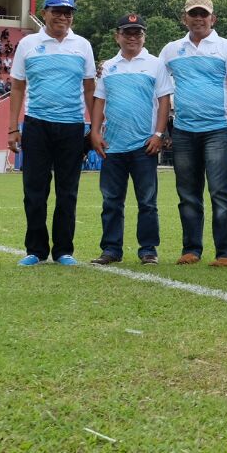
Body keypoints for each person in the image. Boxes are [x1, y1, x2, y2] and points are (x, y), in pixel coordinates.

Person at [8, 0, 96, 267]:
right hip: (36, 124)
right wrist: (13, 128)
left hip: (72, 127)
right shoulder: (28, 44)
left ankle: (63, 251)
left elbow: (90, 86)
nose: (62, 16)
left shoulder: (82, 45)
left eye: (68, 12)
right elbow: (18, 86)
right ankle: (35, 250)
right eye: (57, 11)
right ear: (44, 13)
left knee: (67, 191)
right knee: (35, 190)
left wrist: (93, 127)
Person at [164, 0, 227, 267]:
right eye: (193, 14)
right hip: (184, 130)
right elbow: (159, 86)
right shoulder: (171, 50)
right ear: (184, 18)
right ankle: (191, 249)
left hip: (218, 129)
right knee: (187, 192)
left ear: (213, 18)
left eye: (203, 14)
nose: (198, 19)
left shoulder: (226, 47)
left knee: (220, 190)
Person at [89, 14, 173, 266]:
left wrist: (158, 134)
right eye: (127, 33)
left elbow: (164, 101)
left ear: (144, 37)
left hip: (143, 146)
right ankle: (111, 250)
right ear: (118, 36)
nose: (132, 37)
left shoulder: (156, 64)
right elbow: (99, 101)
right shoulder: (108, 67)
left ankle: (148, 250)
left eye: (137, 33)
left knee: (147, 202)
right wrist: (94, 133)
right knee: (111, 201)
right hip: (112, 145)